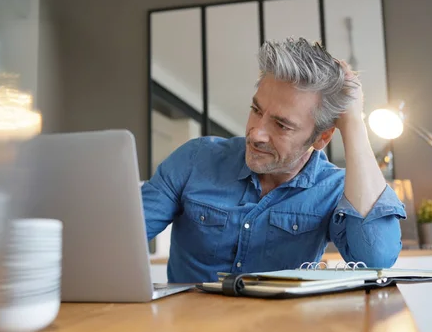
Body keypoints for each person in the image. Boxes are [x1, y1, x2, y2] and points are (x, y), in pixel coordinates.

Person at [141, 37, 406, 284]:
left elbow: (376, 260)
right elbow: (120, 241)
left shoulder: (333, 188)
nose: (256, 134)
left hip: (282, 331)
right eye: (256, 110)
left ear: (322, 137)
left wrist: (353, 123)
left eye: (281, 125)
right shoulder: (195, 159)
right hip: (187, 329)